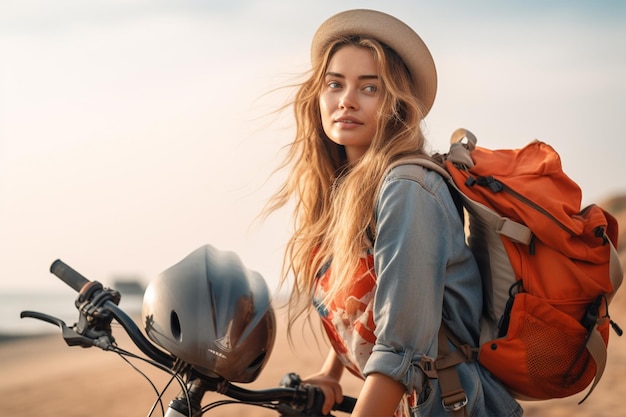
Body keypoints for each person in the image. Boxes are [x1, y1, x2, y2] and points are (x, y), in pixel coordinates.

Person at [264, 9, 523, 417]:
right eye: (335, 84)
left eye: (370, 88)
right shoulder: (342, 192)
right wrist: (331, 373)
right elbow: (363, 300)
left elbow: (401, 351)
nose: (346, 100)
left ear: (397, 104)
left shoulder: (407, 188)